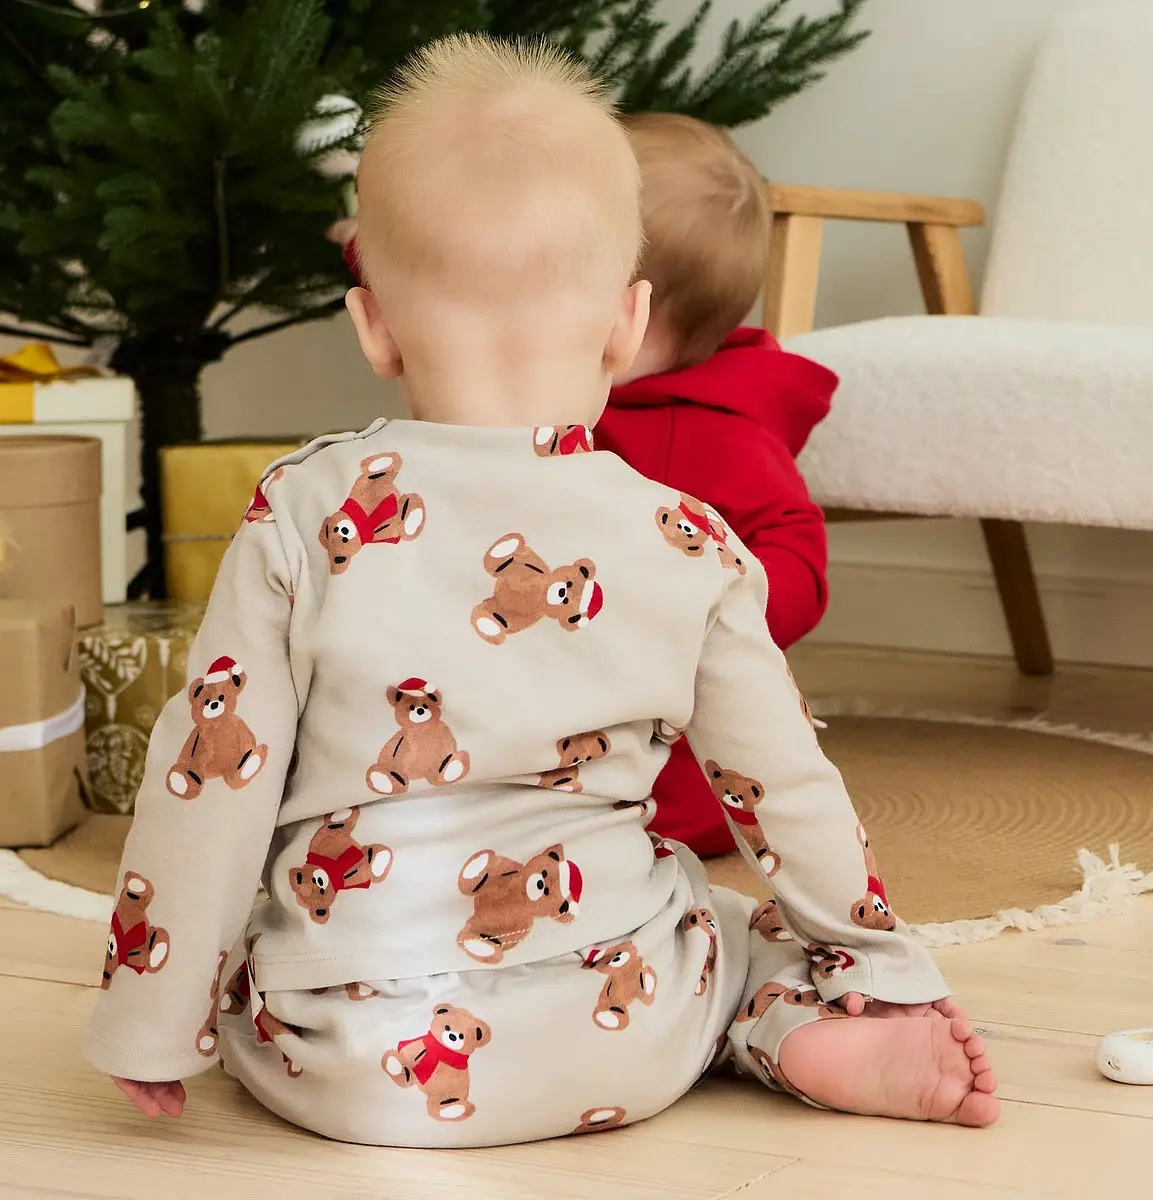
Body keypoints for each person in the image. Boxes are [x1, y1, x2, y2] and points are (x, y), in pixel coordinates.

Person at [86, 34, 998, 1147]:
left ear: (372, 326)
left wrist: (153, 1021)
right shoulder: (686, 539)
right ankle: (782, 1026)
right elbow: (782, 786)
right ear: (628, 322)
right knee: (730, 924)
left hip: (343, 1056)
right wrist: (880, 964)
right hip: (622, 1026)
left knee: (264, 944)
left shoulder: (304, 509)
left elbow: (209, 776)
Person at [595, 113, 834, 858]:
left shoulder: (716, 436)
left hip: (665, 781)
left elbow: (797, 553)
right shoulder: (565, 386)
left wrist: (711, 609)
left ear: (635, 313)